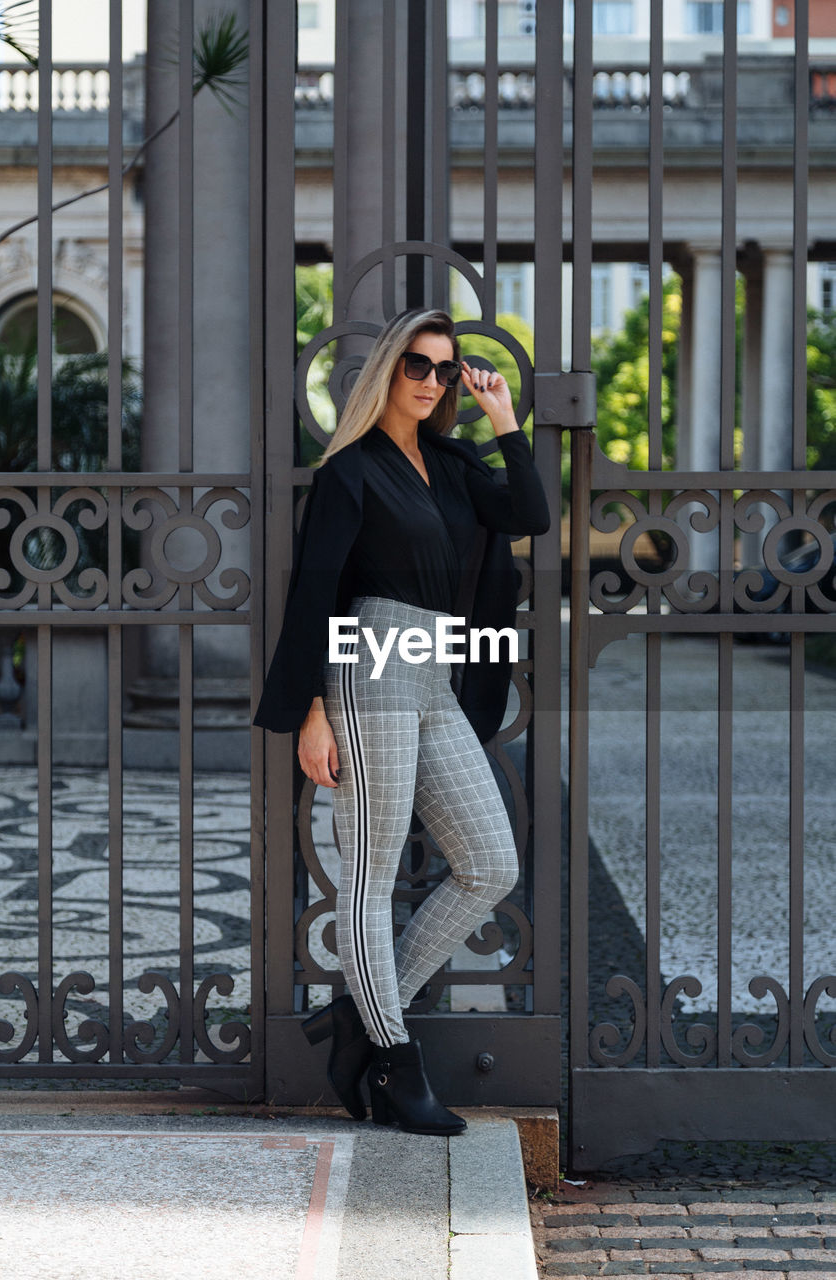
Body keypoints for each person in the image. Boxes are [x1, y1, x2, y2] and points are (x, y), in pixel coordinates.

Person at [254, 308, 550, 1135]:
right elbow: (316, 590)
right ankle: (393, 1056)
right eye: (415, 365)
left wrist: (503, 420)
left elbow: (527, 515)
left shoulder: (453, 463)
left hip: (435, 671)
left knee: (488, 862)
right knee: (371, 873)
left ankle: (358, 1015)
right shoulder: (349, 472)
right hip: (369, 662)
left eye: (444, 370)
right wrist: (315, 707)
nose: (429, 381)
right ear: (387, 369)